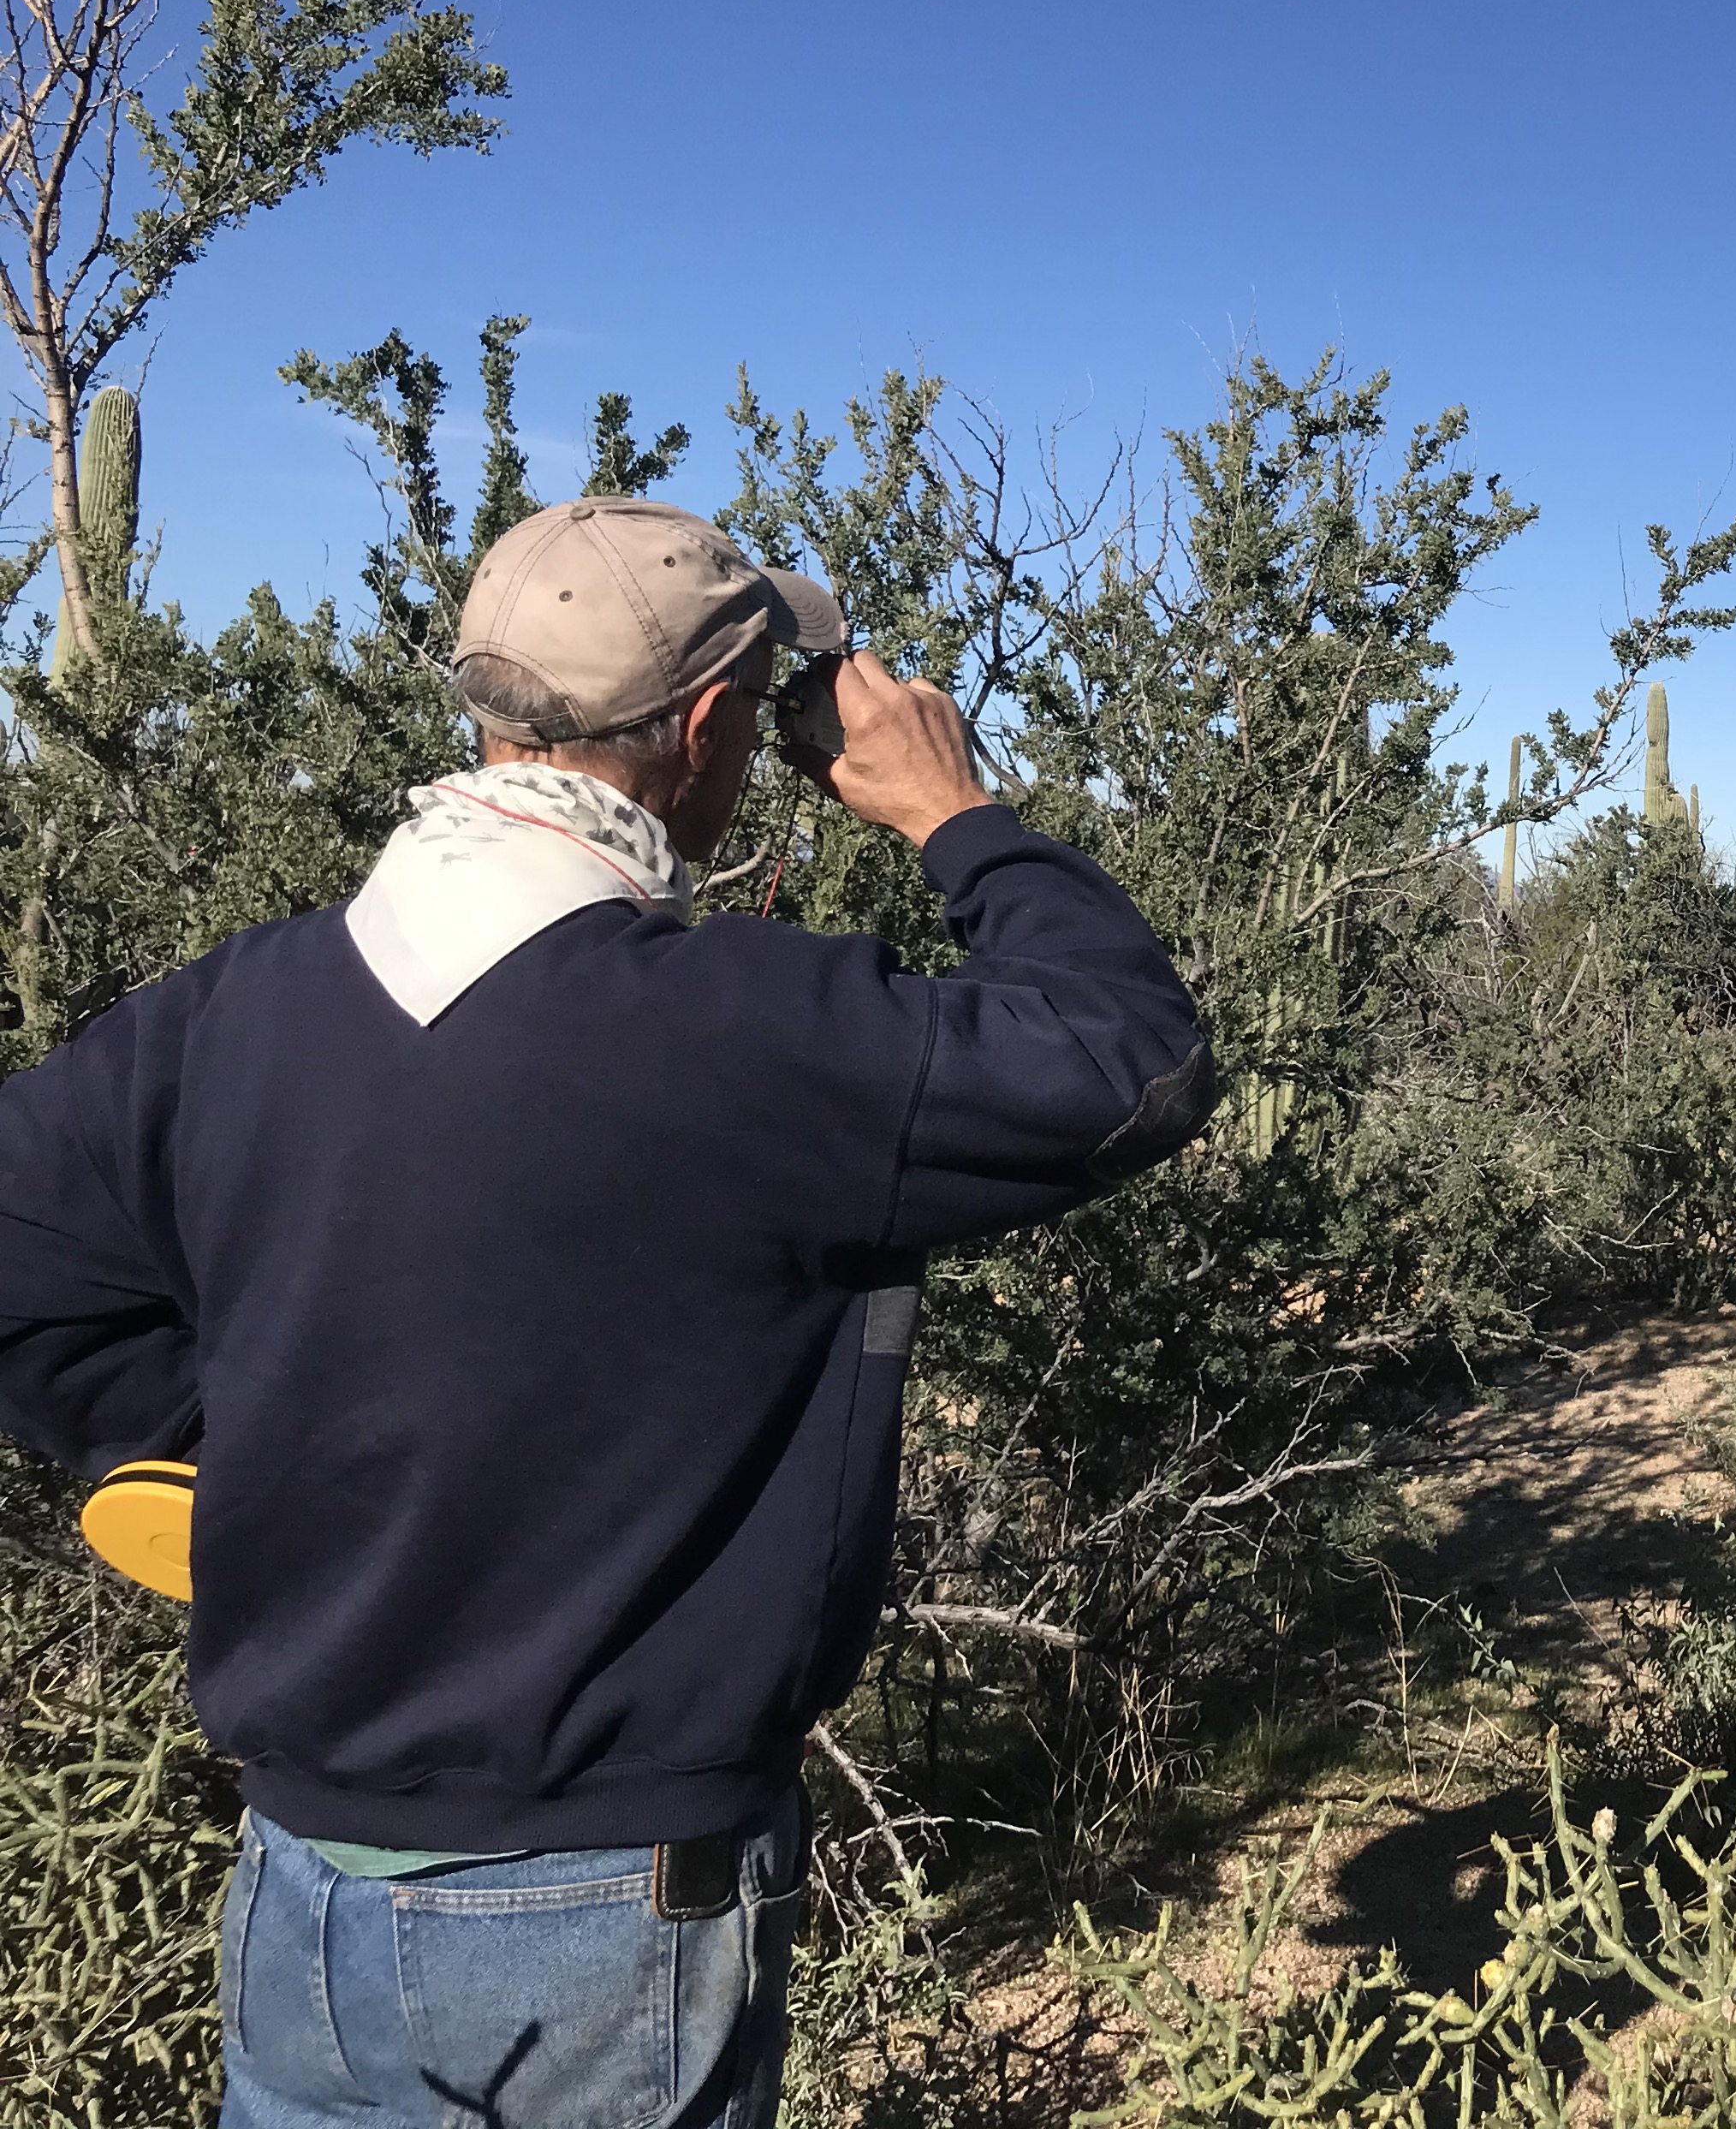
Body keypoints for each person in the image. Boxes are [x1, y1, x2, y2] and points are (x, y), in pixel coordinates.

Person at [0, 497, 1213, 2129]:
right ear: (714, 724)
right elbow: (1125, 1055)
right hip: (596, 1906)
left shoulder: (229, 1009)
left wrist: (223, 1450)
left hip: (302, 1890)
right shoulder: (746, 1033)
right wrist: (955, 810)